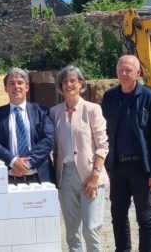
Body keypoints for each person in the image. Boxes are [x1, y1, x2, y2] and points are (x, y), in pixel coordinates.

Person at [101, 55, 151, 252]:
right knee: (118, 217)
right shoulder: (110, 97)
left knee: (145, 218)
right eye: (121, 70)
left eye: (129, 70)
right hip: (117, 167)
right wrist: (106, 166)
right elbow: (102, 133)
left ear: (138, 72)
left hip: (141, 168)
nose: (124, 74)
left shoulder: (149, 98)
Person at [51, 64, 109, 252]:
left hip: (89, 174)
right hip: (65, 176)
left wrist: (95, 176)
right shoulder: (54, 113)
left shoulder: (92, 110)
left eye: (72, 81)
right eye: (65, 81)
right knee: (72, 232)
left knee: (91, 228)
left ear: (81, 84)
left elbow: (102, 145)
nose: (68, 84)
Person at [0, 67, 54, 183]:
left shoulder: (42, 111)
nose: (16, 86)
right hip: (8, 180)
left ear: (26, 87)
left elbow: (49, 140)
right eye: (11, 83)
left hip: (39, 178)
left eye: (20, 83)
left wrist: (26, 163)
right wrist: (13, 161)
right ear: (6, 88)